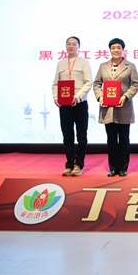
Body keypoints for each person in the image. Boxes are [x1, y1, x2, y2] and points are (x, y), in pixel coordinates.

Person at [93, 38, 138, 177]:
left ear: (123, 49)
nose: (116, 50)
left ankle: (123, 167)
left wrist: (125, 96)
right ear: (110, 50)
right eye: (113, 48)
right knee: (111, 139)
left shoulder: (130, 66)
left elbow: (135, 84)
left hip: (123, 107)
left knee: (124, 139)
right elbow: (96, 84)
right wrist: (100, 97)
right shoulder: (103, 66)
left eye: (119, 47)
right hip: (107, 108)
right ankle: (113, 168)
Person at [52, 36, 92, 176]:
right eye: (68, 44)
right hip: (64, 104)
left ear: (78, 47)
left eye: (74, 44)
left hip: (79, 103)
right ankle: (69, 164)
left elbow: (88, 82)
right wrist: (56, 97)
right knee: (67, 135)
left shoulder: (84, 62)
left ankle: (79, 164)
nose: (71, 46)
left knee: (81, 135)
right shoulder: (61, 63)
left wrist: (78, 96)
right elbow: (55, 83)